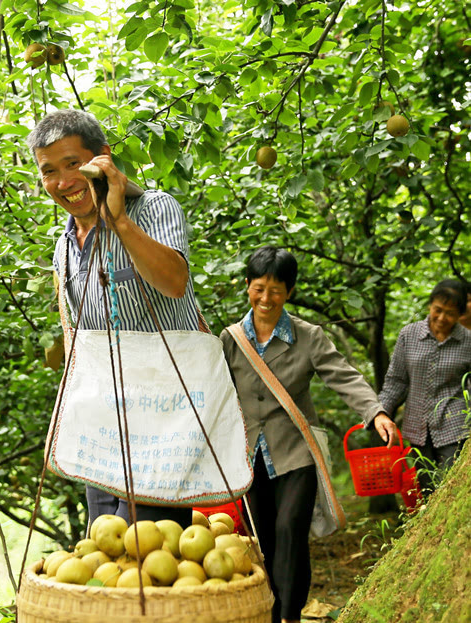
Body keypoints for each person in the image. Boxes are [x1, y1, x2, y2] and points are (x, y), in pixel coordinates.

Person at [27, 109, 200, 529]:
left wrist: (118, 220)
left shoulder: (154, 208)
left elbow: (174, 283)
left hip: (165, 420)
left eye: (73, 164)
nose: (64, 182)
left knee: (149, 545)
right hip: (103, 426)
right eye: (49, 171)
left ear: (102, 157)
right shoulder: (63, 248)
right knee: (106, 547)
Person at [219, 246, 396, 623]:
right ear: (247, 286)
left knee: (290, 529)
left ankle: (288, 613)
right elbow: (213, 390)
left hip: (296, 452)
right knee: (265, 537)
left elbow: (343, 376)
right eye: (260, 288)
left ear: (290, 291)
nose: (267, 298)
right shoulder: (230, 340)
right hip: (249, 455)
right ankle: (273, 610)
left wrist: (375, 411)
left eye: (277, 290)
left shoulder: (308, 336)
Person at [379, 279, 471, 498]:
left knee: (453, 489)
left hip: (455, 427)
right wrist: (380, 412)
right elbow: (396, 380)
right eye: (437, 310)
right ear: (430, 305)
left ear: (459, 314)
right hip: (418, 429)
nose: (441, 318)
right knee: (429, 491)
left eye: (449, 313)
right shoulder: (409, 335)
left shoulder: (468, 341)